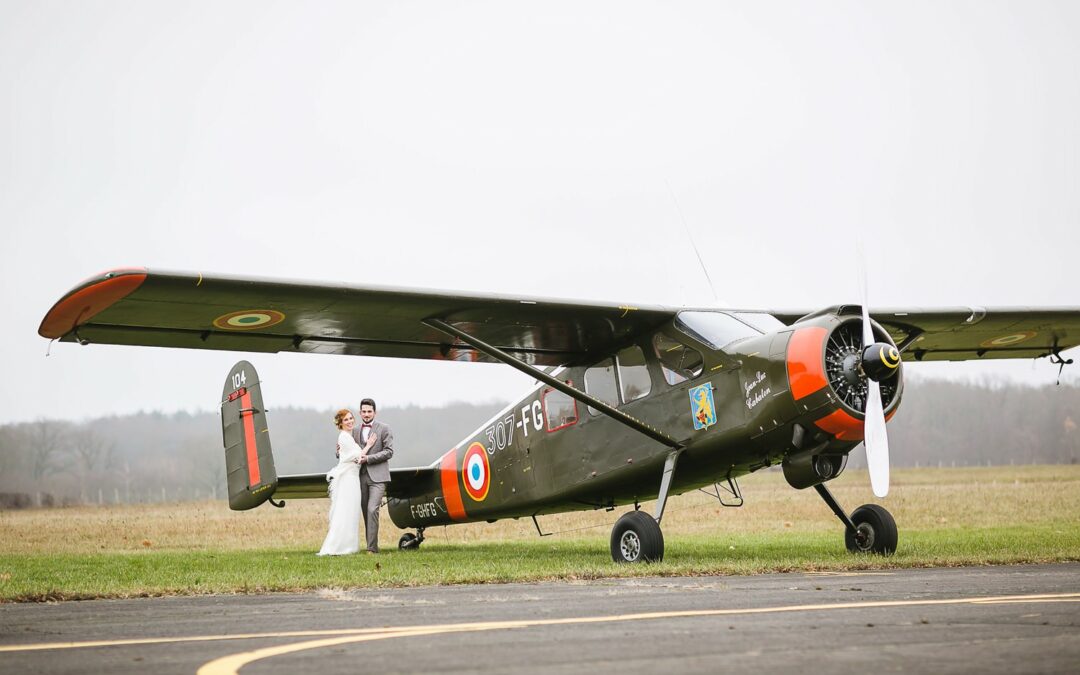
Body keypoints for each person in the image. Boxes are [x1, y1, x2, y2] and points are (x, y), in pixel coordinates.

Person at [318, 409, 375, 556]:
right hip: (348, 479)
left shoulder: (348, 437)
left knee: (351, 511)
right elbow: (357, 456)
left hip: (353, 478)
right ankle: (338, 546)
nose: (350, 421)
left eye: (351, 418)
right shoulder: (344, 437)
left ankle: (349, 545)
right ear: (340, 423)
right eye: (346, 420)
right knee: (345, 510)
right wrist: (368, 445)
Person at [351, 398, 394, 553]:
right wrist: (338, 451)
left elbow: (389, 451)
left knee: (372, 509)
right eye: (364, 411)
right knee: (365, 511)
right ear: (360, 412)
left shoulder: (384, 428)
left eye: (370, 411)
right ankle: (371, 545)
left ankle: (371, 549)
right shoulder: (354, 430)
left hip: (379, 477)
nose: (367, 414)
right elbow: (350, 451)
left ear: (375, 412)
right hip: (360, 477)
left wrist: (368, 458)